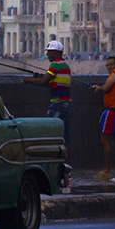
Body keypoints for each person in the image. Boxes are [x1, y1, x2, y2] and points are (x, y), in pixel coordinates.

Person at [23, 40, 72, 169]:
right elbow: (50, 82)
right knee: (66, 138)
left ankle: (50, 165)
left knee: (49, 133)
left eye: (49, 52)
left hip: (58, 104)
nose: (48, 55)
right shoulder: (65, 66)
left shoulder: (55, 65)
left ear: (56, 52)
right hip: (67, 104)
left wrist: (29, 80)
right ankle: (66, 167)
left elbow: (42, 82)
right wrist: (39, 78)